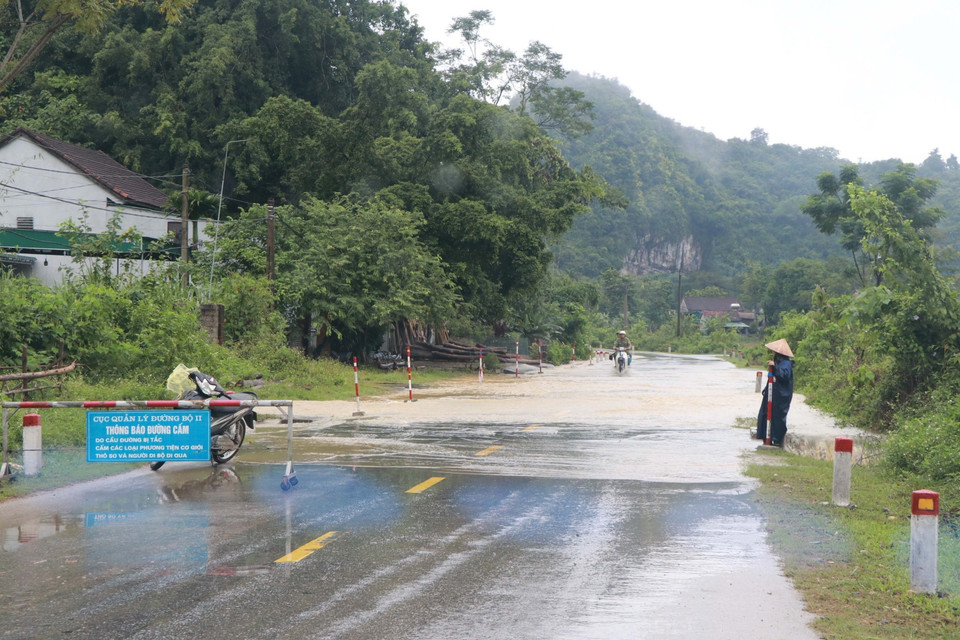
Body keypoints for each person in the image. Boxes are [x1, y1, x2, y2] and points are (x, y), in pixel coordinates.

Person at [756, 339, 794, 446]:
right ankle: (765, 436)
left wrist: (775, 367)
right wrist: (766, 388)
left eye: (774, 351)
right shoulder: (778, 362)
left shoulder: (786, 363)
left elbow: (784, 376)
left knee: (777, 416)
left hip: (781, 395)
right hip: (773, 393)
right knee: (765, 413)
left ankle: (776, 439)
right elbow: (772, 379)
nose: (772, 353)